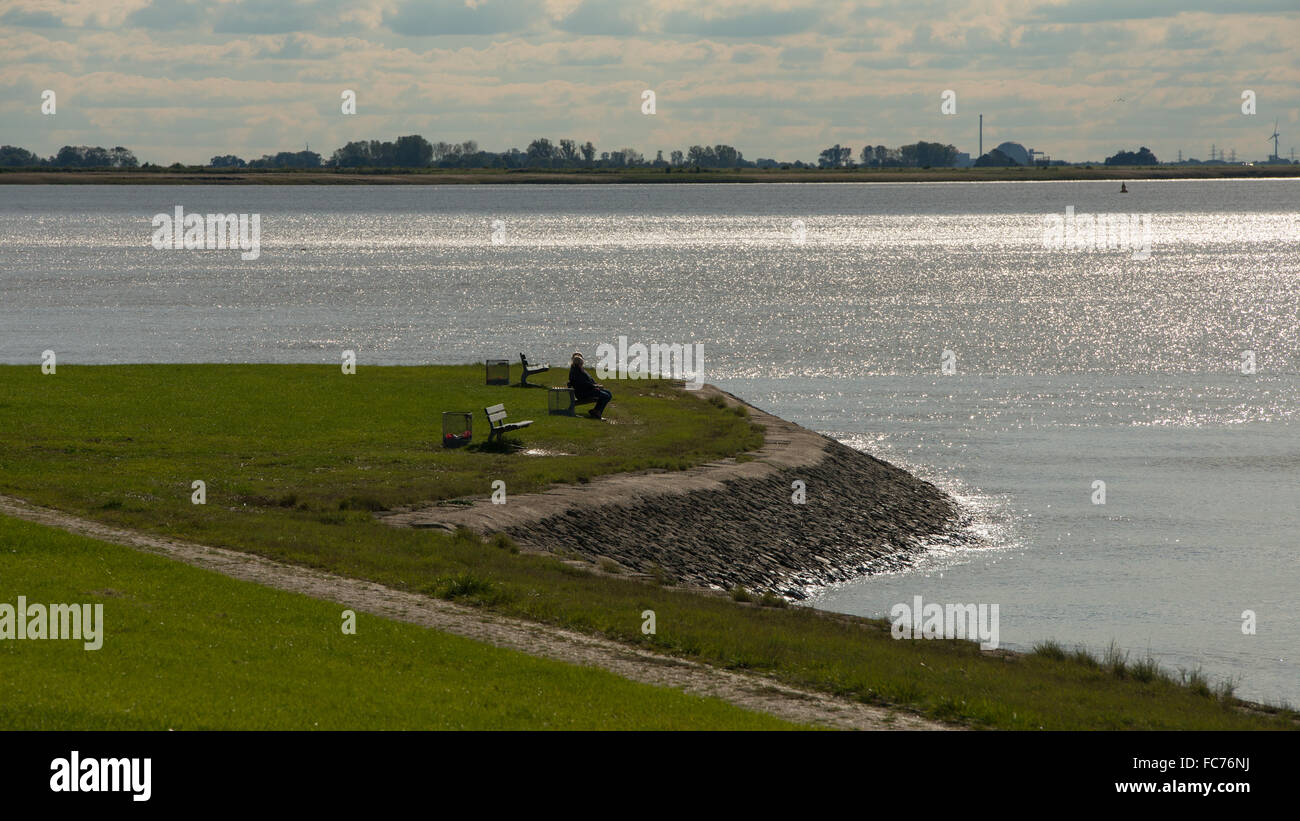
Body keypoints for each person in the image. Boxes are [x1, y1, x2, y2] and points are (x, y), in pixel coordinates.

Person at [568, 352, 611, 419]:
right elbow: (584, 384)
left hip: (586, 390)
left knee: (608, 393)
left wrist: (595, 385)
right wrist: (595, 386)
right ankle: (597, 412)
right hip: (583, 393)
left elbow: (586, 382)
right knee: (606, 396)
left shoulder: (577, 370)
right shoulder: (577, 372)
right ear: (578, 363)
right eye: (581, 363)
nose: (582, 365)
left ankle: (596, 411)